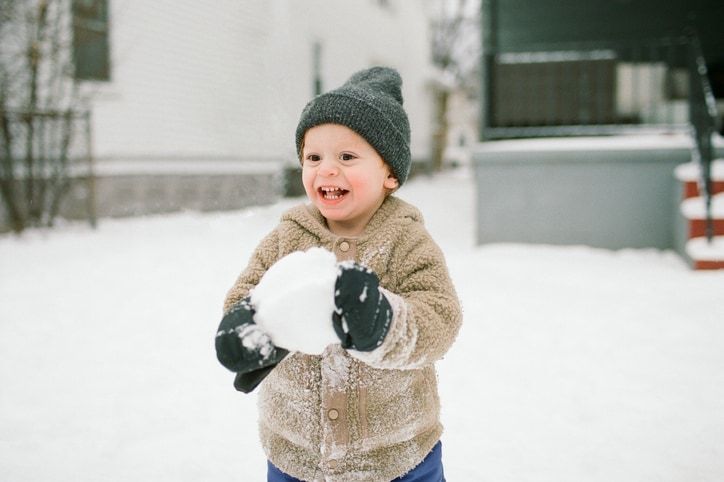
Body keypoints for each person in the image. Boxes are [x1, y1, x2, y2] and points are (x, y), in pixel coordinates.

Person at [215, 66, 462, 482]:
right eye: (314, 158)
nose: (326, 170)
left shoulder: (407, 240)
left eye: (346, 157)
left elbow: (440, 317)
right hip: (296, 457)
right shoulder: (286, 237)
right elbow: (247, 292)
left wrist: (384, 322)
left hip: (398, 458)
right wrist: (247, 327)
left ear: (390, 174)